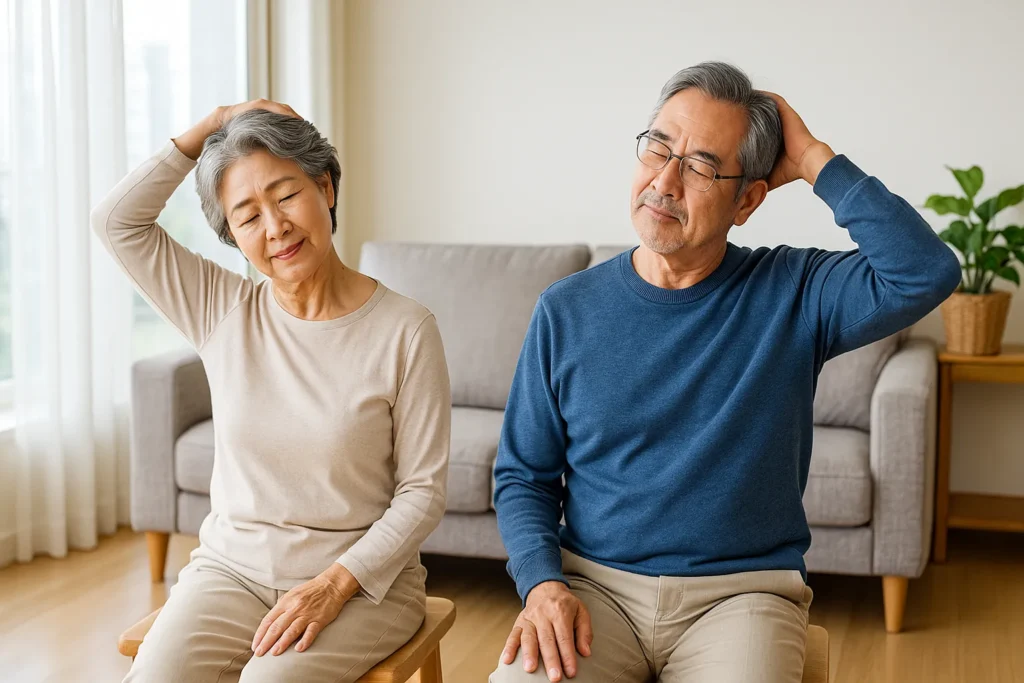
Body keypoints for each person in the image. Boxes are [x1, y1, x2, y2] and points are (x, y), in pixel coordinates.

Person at [490, 62, 961, 683]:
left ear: (748, 201)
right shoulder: (566, 309)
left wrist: (817, 160)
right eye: (658, 147)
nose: (664, 180)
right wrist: (542, 583)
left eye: (702, 166)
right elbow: (523, 475)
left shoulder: (794, 291)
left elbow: (925, 271)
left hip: (742, 598)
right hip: (592, 589)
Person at [93, 100, 452, 683]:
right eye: (247, 215)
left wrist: (334, 586)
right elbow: (116, 222)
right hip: (229, 574)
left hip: (363, 585)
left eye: (286, 196)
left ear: (326, 187)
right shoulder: (221, 308)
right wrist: (215, 122)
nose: (275, 226)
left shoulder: (406, 329)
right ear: (233, 236)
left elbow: (423, 493)